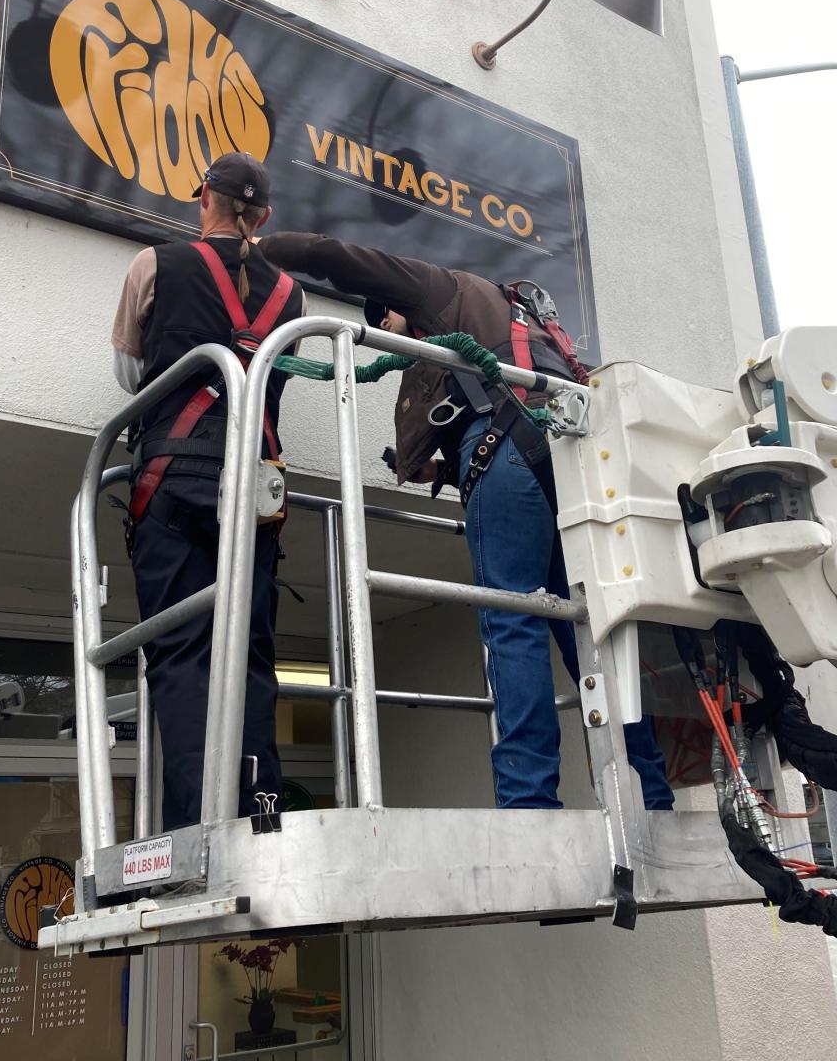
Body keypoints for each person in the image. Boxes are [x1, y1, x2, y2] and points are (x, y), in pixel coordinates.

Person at [256, 231, 673, 811]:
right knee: (586, 630)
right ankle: (650, 791)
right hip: (570, 465)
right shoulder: (506, 324)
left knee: (511, 618)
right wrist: (437, 466)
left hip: (506, 452)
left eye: (388, 318)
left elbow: (343, 259)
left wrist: (262, 248)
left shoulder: (441, 293)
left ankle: (528, 801)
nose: (390, 330)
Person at [111, 153, 304, 831]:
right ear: (264, 217)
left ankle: (199, 824)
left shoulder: (156, 265)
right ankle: (258, 809)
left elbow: (131, 376)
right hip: (256, 485)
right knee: (249, 649)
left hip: (174, 477)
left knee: (183, 653)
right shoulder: (292, 298)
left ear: (204, 201)